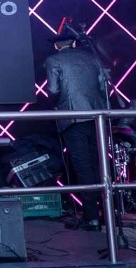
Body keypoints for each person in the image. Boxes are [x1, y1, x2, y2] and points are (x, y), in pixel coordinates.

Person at [44, 28, 106, 231]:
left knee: (83, 166)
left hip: (72, 117)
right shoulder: (92, 58)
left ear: (56, 45)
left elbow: (53, 90)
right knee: (99, 164)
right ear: (73, 43)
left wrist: (55, 104)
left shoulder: (53, 60)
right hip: (97, 116)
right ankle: (105, 213)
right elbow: (103, 87)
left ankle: (92, 217)